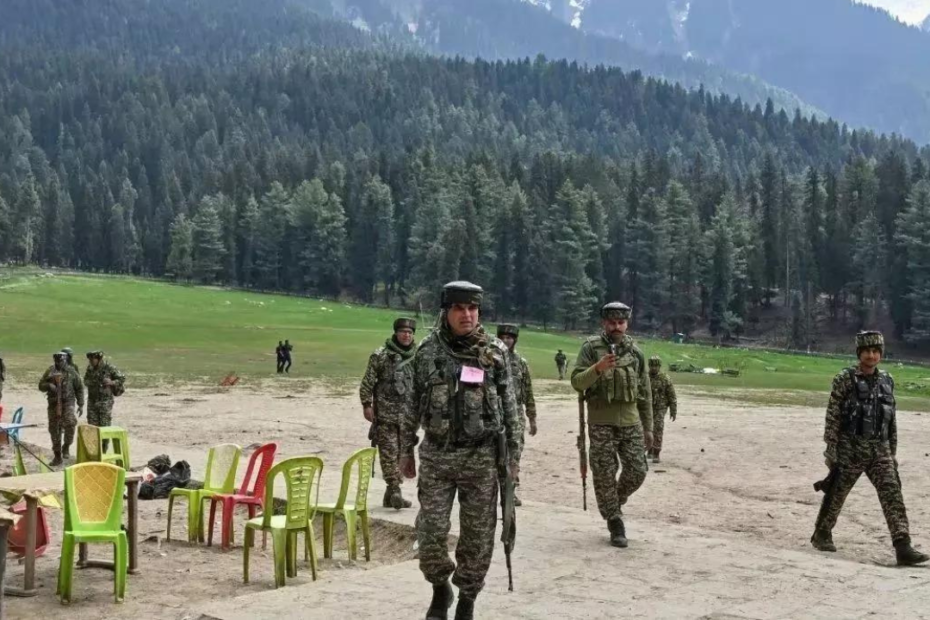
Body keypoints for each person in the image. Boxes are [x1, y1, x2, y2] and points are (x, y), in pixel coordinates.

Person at [400, 281, 519, 620]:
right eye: (459, 308)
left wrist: (513, 458)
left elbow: (510, 408)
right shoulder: (427, 351)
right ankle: (440, 587)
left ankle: (467, 598)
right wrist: (405, 450)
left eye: (473, 308)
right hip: (437, 455)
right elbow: (411, 404)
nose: (467, 315)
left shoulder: (494, 352)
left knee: (478, 537)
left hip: (481, 457)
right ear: (446, 311)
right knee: (430, 533)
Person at [811, 331, 929, 566]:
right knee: (836, 493)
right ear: (859, 353)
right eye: (867, 351)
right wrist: (831, 448)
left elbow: (891, 419)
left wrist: (892, 451)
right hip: (850, 449)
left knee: (892, 493)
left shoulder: (887, 380)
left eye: (876, 351)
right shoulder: (845, 379)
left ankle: (903, 546)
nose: (871, 356)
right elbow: (833, 414)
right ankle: (821, 534)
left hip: (880, 450)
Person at [571, 302, 652, 548]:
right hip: (600, 423)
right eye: (612, 322)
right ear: (603, 323)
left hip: (630, 421)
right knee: (604, 473)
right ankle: (615, 521)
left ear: (627, 324)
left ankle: (616, 500)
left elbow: (645, 392)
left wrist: (649, 427)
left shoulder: (636, 353)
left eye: (621, 322)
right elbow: (577, 382)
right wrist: (598, 368)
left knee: (638, 470)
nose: (616, 327)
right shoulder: (590, 348)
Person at [360, 317, 417, 510]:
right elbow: (367, 382)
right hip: (385, 415)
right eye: (403, 332)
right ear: (396, 333)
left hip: (408, 418)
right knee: (389, 453)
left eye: (410, 332)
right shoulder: (381, 355)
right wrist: (367, 405)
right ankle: (395, 490)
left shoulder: (418, 357)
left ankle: (389, 496)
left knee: (402, 455)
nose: (406, 335)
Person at [497, 324, 537, 507]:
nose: (506, 341)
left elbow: (528, 392)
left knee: (514, 454)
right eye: (502, 337)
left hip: (516, 416)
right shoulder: (490, 361)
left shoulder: (521, 363)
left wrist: (532, 418)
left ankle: (509, 493)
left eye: (509, 338)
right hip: (495, 414)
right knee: (494, 454)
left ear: (515, 340)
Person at [38, 351, 84, 465]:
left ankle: (66, 445)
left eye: (61, 361)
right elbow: (40, 386)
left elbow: (79, 387)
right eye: (57, 361)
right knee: (54, 429)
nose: (59, 363)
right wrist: (49, 385)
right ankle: (57, 456)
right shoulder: (50, 371)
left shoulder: (71, 371)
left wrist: (81, 404)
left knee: (70, 423)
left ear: (65, 360)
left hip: (68, 402)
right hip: (53, 404)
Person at [84, 350, 126, 449]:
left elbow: (122, 378)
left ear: (99, 359)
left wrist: (112, 382)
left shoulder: (109, 367)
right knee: (92, 426)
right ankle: (94, 449)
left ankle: (104, 449)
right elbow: (85, 380)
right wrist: (91, 382)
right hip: (92, 401)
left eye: (93, 360)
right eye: (90, 360)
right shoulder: (90, 368)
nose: (91, 362)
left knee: (104, 425)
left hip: (105, 401)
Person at [648, 355, 677, 464]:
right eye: (652, 365)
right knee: (647, 429)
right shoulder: (644, 377)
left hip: (660, 408)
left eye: (656, 366)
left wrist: (673, 411)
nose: (654, 368)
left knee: (658, 429)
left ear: (659, 366)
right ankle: (649, 449)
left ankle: (656, 452)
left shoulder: (665, 379)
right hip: (647, 408)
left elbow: (672, 396)